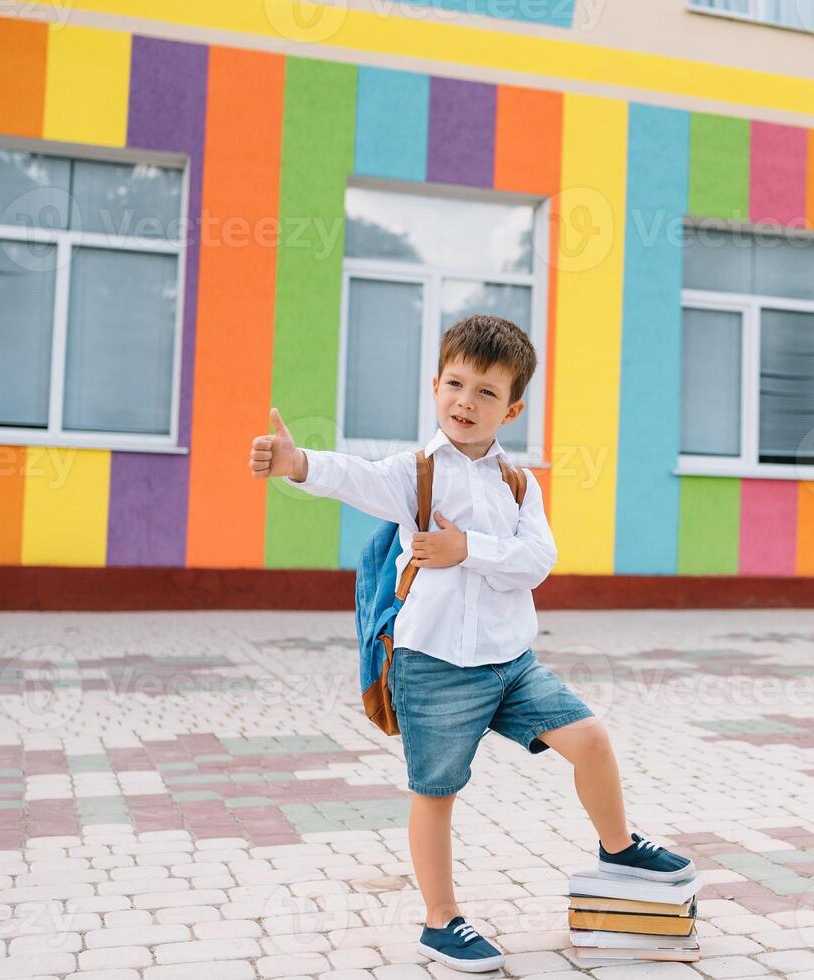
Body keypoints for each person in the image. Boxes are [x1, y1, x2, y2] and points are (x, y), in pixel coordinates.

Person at [247, 314, 694, 972]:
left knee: (591, 739)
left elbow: (537, 561)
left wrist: (467, 550)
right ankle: (440, 920)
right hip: (434, 668)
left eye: (486, 392)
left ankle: (619, 846)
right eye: (455, 383)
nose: (466, 401)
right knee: (436, 793)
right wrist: (297, 463)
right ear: (434, 388)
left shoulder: (519, 485)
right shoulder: (416, 474)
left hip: (512, 666)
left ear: (511, 409)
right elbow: (354, 477)